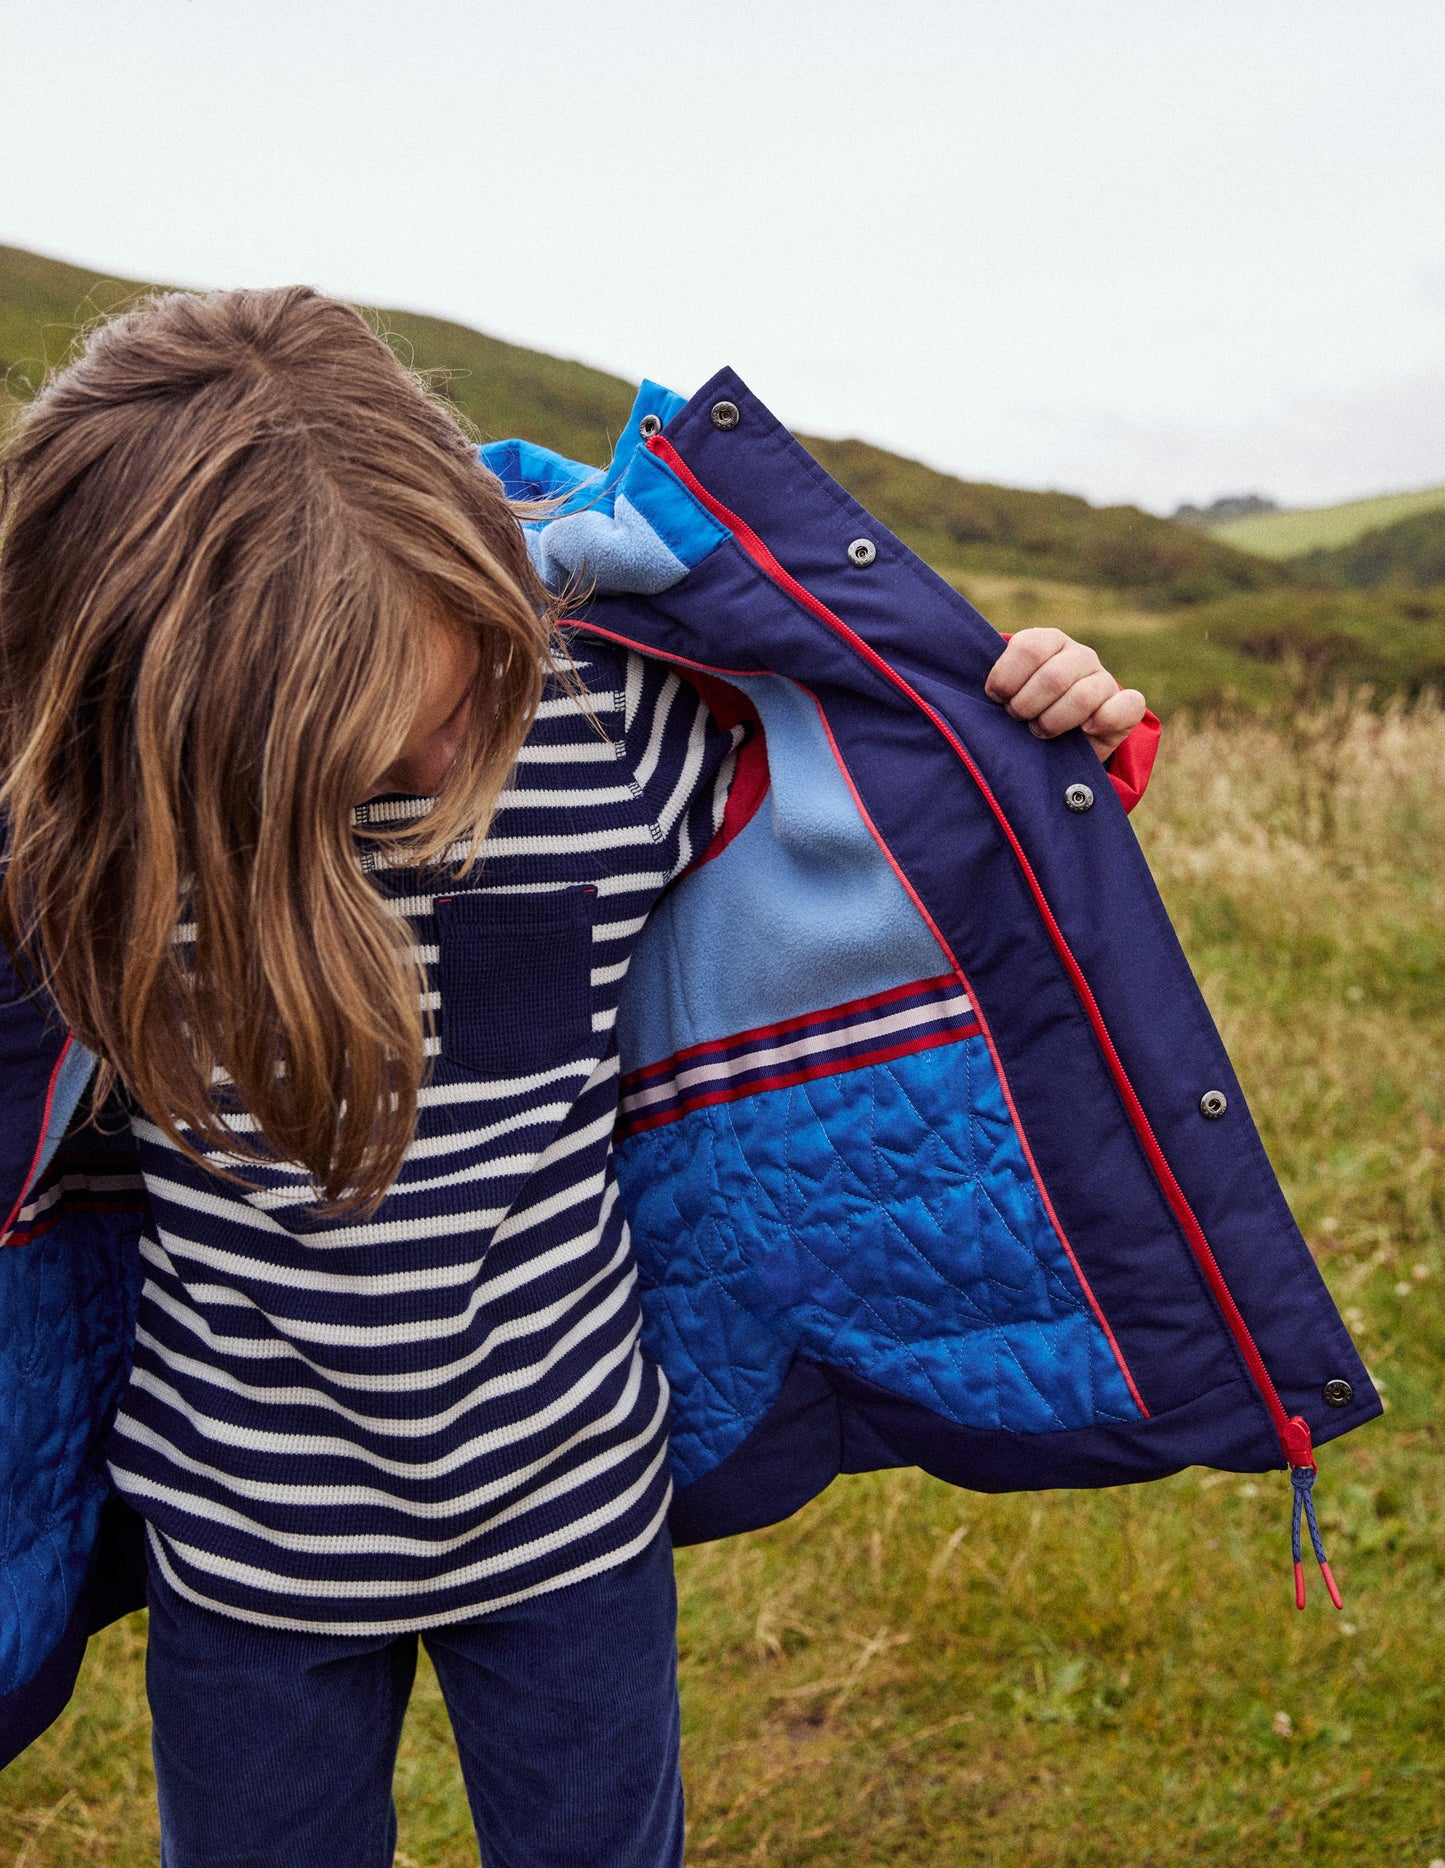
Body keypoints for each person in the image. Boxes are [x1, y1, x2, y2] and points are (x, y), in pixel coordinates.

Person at [0, 286, 1148, 1867]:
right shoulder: (97, 846)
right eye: (341, 753)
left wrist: (1039, 733)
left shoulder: (599, 730)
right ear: (180, 712)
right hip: (249, 1548)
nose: (433, 766)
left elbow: (919, 809)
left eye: (466, 681)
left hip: (569, 1512)